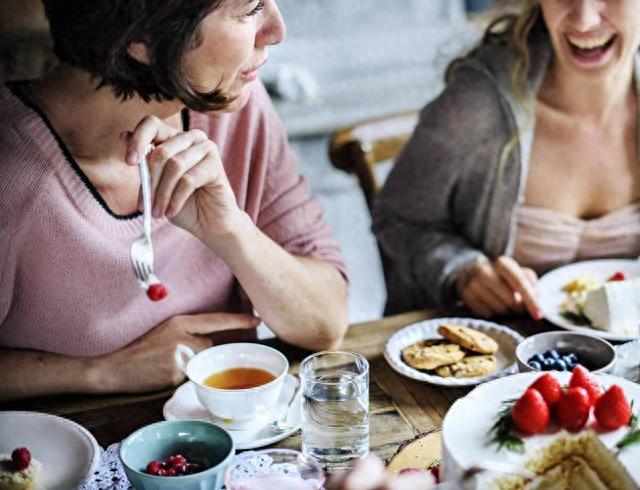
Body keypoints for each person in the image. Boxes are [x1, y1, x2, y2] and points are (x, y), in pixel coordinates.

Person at [0, 0, 349, 402]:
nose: (277, 29)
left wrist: (229, 229)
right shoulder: (12, 172)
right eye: (250, 8)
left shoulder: (233, 106)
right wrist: (102, 372)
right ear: (142, 38)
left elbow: (326, 323)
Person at [373, 0, 640, 318]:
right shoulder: (477, 104)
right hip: (494, 355)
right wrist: (461, 269)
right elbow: (398, 218)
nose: (583, 20)